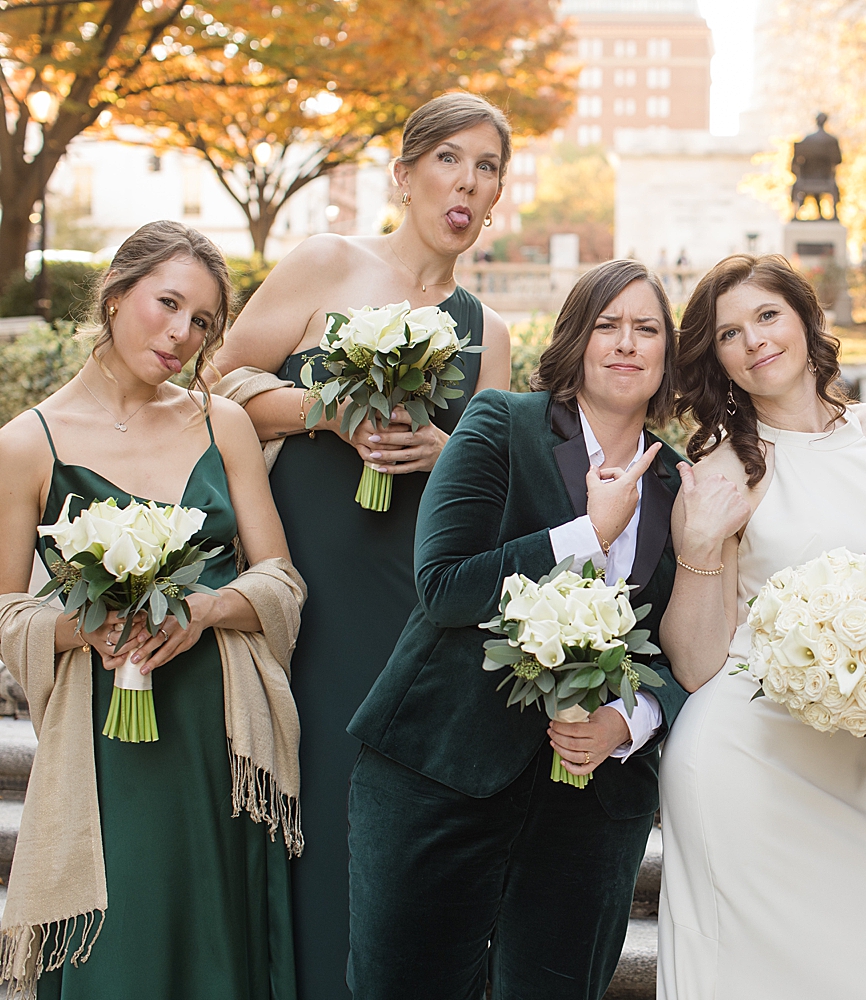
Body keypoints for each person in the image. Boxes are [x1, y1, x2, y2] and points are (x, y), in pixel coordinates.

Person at [211, 91, 514, 998]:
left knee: (383, 820)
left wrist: (445, 449)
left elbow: (494, 485)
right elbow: (220, 384)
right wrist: (327, 413)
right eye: (450, 159)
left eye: (487, 167)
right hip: (311, 580)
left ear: (497, 194)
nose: (467, 182)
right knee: (306, 791)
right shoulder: (326, 263)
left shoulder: (489, 334)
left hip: (409, 602)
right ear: (406, 173)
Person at [344, 259, 690, 1000]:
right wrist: (586, 533)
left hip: (591, 806)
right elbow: (443, 587)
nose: (626, 344)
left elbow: (686, 647)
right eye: (607, 325)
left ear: (667, 353)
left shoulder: (683, 484)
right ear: (575, 339)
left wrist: (627, 721)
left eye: (647, 329)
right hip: (442, 770)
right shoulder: (501, 423)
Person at [0, 221, 304, 999]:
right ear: (115, 293)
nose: (181, 334)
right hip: (106, 755)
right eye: (167, 304)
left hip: (221, 744)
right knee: (122, 955)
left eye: (202, 322)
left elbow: (282, 581)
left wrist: (203, 612)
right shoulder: (28, 444)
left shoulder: (222, 423)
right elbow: (6, 613)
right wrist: (87, 625)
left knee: (215, 948)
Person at [656, 254, 866, 998]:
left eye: (767, 316)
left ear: (807, 318)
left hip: (851, 769)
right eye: (728, 334)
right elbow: (694, 663)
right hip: (742, 759)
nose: (753, 341)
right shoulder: (721, 468)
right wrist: (697, 547)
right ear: (716, 360)